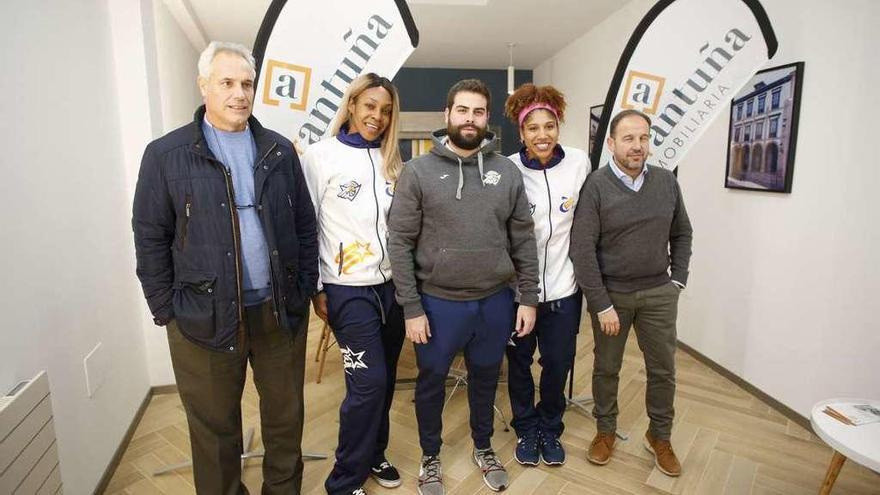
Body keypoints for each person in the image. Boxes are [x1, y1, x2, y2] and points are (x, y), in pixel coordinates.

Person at [132, 41, 318, 494]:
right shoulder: (165, 155)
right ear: (204, 86)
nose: (240, 93)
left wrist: (304, 288)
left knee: (285, 422)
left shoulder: (279, 150)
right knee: (214, 434)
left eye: (247, 83)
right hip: (203, 318)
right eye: (227, 82)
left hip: (278, 314)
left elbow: (304, 226)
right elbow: (150, 236)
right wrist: (166, 308)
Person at [387, 79, 540, 495]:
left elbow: (523, 238)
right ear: (447, 114)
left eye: (477, 112)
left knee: (487, 377)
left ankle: (483, 445)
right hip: (437, 303)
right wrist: (411, 308)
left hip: (494, 301)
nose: (469, 119)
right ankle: (431, 457)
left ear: (487, 119)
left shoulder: (506, 171)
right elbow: (398, 242)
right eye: (462, 110)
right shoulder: (417, 171)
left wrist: (529, 297)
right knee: (431, 381)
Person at [569, 109, 693, 477]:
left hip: (658, 293)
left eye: (643, 138)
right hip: (613, 298)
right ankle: (605, 432)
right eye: (628, 138)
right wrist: (601, 303)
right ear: (611, 144)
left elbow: (682, 232)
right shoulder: (596, 185)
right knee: (607, 369)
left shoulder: (667, 182)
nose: (637, 146)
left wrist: (678, 280)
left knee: (663, 371)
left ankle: (660, 437)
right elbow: (582, 249)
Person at [300, 73, 405, 495]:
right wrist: (316, 289)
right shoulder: (320, 156)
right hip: (346, 289)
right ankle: (343, 481)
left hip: (392, 289)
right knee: (369, 383)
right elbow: (305, 227)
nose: (376, 117)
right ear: (352, 103)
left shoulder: (393, 161)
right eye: (369, 106)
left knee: (386, 379)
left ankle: (374, 454)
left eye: (384, 110)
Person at [502, 84, 589, 466]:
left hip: (564, 289)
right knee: (519, 362)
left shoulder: (579, 163)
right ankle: (526, 426)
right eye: (532, 128)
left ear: (558, 127)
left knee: (558, 361)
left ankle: (550, 425)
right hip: (519, 292)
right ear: (521, 133)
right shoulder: (507, 169)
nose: (542, 135)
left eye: (549, 126)